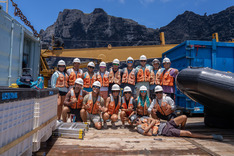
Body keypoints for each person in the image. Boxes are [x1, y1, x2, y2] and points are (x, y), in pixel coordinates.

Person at [134, 115, 223, 142]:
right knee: (188, 133)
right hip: (166, 131)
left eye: (136, 119)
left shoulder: (143, 118)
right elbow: (149, 134)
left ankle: (181, 129)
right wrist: (150, 125)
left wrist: (150, 125)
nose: (137, 121)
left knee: (184, 117)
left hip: (167, 124)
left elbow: (153, 120)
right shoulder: (139, 128)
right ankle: (211, 137)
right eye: (135, 121)